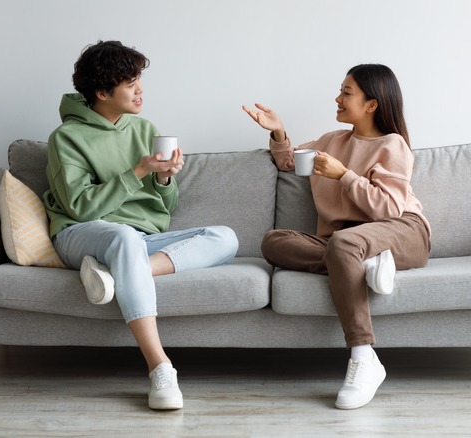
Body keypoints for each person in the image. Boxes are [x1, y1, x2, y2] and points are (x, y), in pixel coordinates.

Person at [44, 40, 239, 410]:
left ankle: (120, 273)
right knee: (121, 238)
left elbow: (165, 209)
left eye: (139, 80)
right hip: (81, 234)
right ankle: (160, 366)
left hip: (139, 239)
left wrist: (164, 180)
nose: (140, 89)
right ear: (102, 92)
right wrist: (138, 171)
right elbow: (80, 206)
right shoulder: (66, 138)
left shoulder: (143, 128)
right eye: (131, 82)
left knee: (225, 238)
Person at [242, 64, 431, 409]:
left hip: (402, 230)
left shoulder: (393, 145)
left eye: (346, 92)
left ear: (371, 104)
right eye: (340, 90)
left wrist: (343, 175)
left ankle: (363, 357)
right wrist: (279, 132)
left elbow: (387, 208)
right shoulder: (332, 141)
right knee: (274, 241)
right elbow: (289, 163)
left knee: (345, 244)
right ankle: (361, 263)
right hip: (351, 240)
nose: (337, 98)